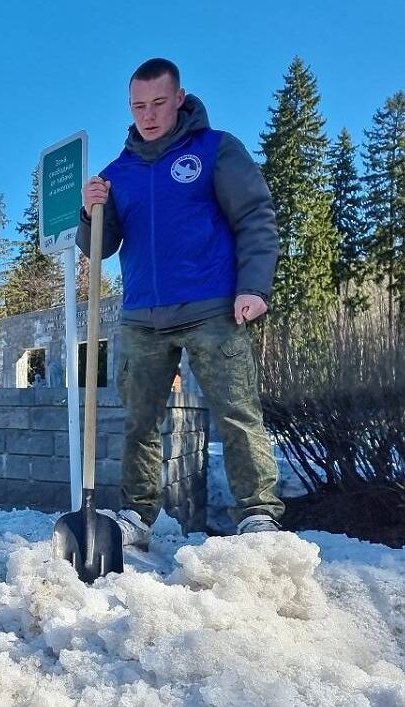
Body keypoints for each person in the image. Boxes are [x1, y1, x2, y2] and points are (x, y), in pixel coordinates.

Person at [78, 58, 284, 549]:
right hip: (143, 316)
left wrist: (254, 286)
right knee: (138, 422)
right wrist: (91, 213)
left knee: (237, 412)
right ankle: (136, 515)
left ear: (179, 98)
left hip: (213, 306)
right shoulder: (117, 173)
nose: (148, 115)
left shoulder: (215, 150)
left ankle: (258, 515)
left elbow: (256, 215)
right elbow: (100, 248)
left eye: (158, 103)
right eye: (138, 106)